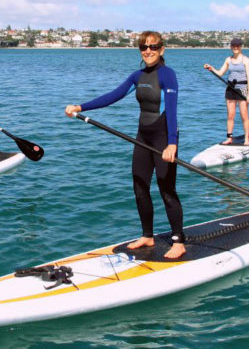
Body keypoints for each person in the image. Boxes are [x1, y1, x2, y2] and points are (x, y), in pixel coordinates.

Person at [64, 31, 185, 259]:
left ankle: (178, 241)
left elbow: (172, 110)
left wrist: (172, 144)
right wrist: (80, 107)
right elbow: (113, 96)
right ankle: (147, 235)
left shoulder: (168, 75)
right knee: (140, 186)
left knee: (166, 189)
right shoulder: (137, 76)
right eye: (143, 47)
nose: (148, 51)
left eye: (153, 46)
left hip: (163, 139)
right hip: (142, 137)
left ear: (162, 49)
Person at [203, 37, 249, 146]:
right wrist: (211, 68)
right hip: (230, 89)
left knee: (244, 115)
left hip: (242, 89)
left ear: (241, 47)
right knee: (230, 115)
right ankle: (229, 138)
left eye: (238, 46)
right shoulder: (228, 60)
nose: (235, 47)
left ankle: (247, 139)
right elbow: (220, 73)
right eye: (233, 46)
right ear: (231, 47)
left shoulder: (246, 60)